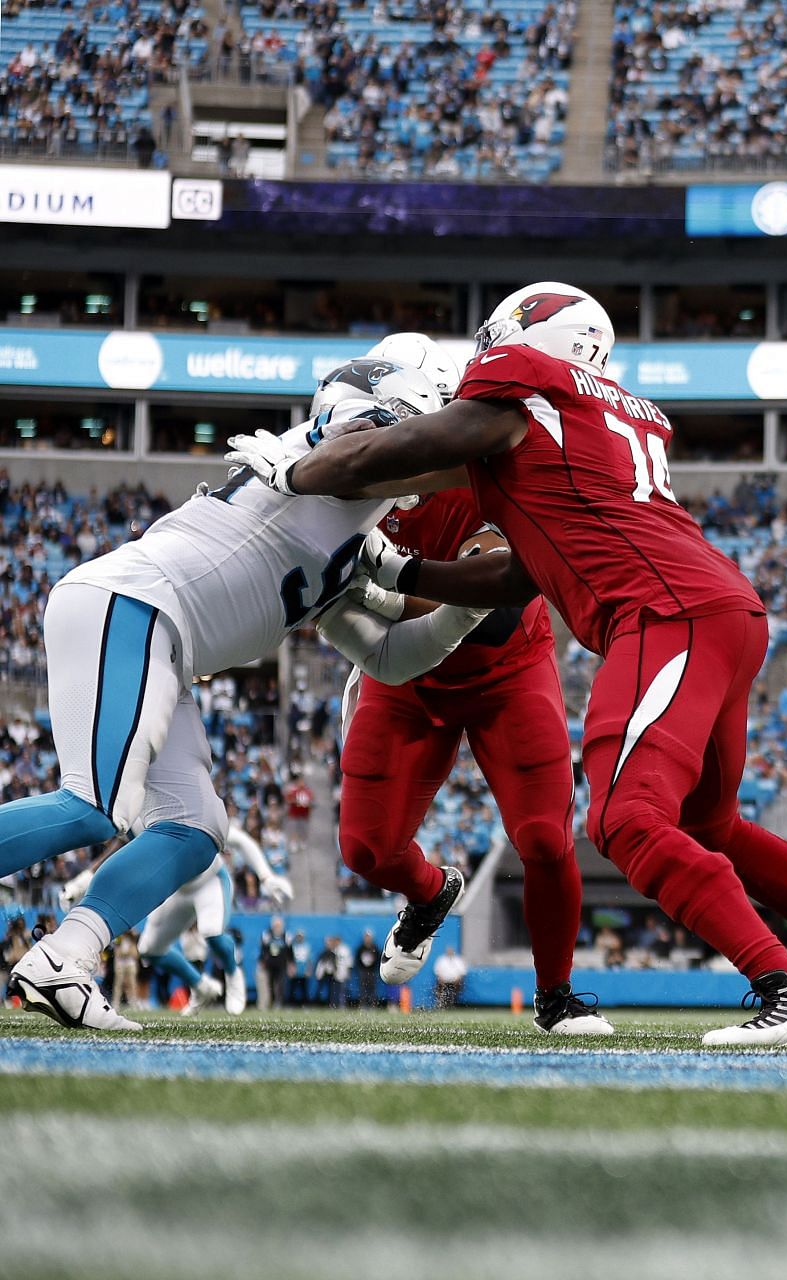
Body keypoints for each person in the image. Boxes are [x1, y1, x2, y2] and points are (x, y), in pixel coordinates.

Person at [226, 281, 787, 1048]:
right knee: (709, 821)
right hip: (722, 608)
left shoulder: (522, 393)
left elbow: (404, 449)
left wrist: (297, 473)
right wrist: (402, 573)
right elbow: (515, 576)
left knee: (623, 820)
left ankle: (785, 984)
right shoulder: (602, 413)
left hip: (664, 615)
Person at [0, 346, 495, 1032]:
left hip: (164, 643)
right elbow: (365, 445)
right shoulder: (344, 451)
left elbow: (384, 656)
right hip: (131, 605)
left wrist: (461, 614)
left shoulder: (357, 530)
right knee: (96, 805)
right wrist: (496, 453)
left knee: (194, 825)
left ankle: (63, 958)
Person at [325, 340, 609, 1035]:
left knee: (544, 837)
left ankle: (556, 995)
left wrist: (388, 587)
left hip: (504, 671)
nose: (373, 441)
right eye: (363, 424)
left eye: (390, 422)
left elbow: (496, 606)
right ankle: (431, 893)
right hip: (406, 682)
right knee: (366, 849)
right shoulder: (333, 475)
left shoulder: (489, 465)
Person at [136, 827, 292, 1016]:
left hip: (209, 882)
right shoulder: (145, 820)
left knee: (212, 932)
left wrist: (266, 877)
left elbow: (241, 841)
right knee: (149, 949)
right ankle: (201, 986)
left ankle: (233, 974)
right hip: (176, 891)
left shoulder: (194, 815)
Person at [354, 930, 381, 1009]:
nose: (367, 939)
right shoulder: (360, 948)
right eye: (366, 937)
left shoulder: (375, 948)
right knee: (362, 989)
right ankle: (363, 1004)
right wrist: (360, 970)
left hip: (372, 971)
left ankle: (373, 1004)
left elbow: (378, 960)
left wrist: (375, 970)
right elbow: (357, 960)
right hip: (363, 971)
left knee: (372, 989)